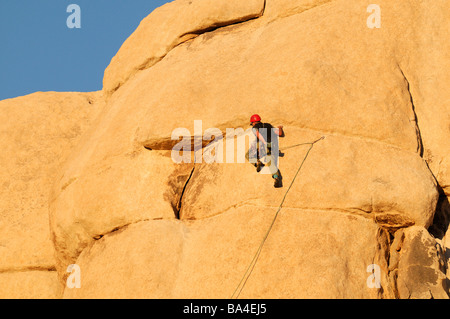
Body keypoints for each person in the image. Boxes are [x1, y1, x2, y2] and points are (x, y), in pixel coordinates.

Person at [247, 114, 284, 188]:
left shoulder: (255, 127)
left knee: (248, 155)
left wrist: (263, 143)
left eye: (252, 124)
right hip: (272, 146)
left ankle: (258, 163)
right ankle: (276, 178)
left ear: (253, 122)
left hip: (264, 145)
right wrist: (280, 128)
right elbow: (279, 133)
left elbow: (258, 134)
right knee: (271, 163)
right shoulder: (268, 125)